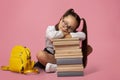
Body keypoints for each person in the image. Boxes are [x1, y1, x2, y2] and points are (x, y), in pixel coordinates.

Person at [34, 8, 92, 73]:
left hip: (66, 55)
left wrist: (70, 35)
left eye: (70, 27)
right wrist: (63, 33)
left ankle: (55, 68)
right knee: (40, 54)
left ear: (74, 29)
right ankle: (65, 66)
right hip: (52, 55)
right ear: (61, 18)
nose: (65, 27)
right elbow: (51, 36)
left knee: (88, 48)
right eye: (65, 23)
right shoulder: (50, 28)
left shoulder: (70, 33)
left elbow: (83, 35)